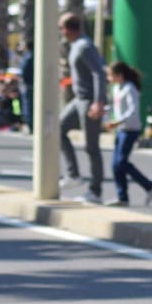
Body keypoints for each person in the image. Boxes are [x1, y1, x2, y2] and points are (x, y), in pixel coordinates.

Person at [58, 12, 108, 203]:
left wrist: (99, 101)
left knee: (91, 146)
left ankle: (95, 191)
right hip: (78, 100)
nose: (61, 32)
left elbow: (99, 74)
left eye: (61, 28)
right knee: (59, 129)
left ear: (68, 29)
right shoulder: (75, 46)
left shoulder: (85, 46)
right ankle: (73, 174)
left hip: (88, 101)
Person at [108, 61, 152, 206]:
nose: (109, 78)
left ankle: (148, 185)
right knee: (115, 164)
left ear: (120, 75)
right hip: (121, 129)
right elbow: (115, 107)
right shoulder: (117, 88)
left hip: (131, 129)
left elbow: (132, 110)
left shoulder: (130, 88)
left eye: (111, 75)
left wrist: (118, 121)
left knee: (121, 162)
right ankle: (122, 197)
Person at [18, 47, 36, 131]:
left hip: (28, 85)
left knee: (27, 106)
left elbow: (23, 71)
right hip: (33, 84)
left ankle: (30, 125)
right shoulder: (36, 56)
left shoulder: (28, 57)